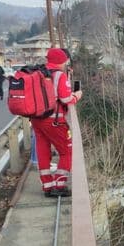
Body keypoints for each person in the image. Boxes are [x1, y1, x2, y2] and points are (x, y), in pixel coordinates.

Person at [32, 48, 82, 197]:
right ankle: (59, 185)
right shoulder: (59, 75)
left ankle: (47, 186)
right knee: (67, 152)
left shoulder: (38, 72)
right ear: (62, 61)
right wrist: (77, 95)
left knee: (43, 151)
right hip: (54, 120)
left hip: (36, 119)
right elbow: (66, 99)